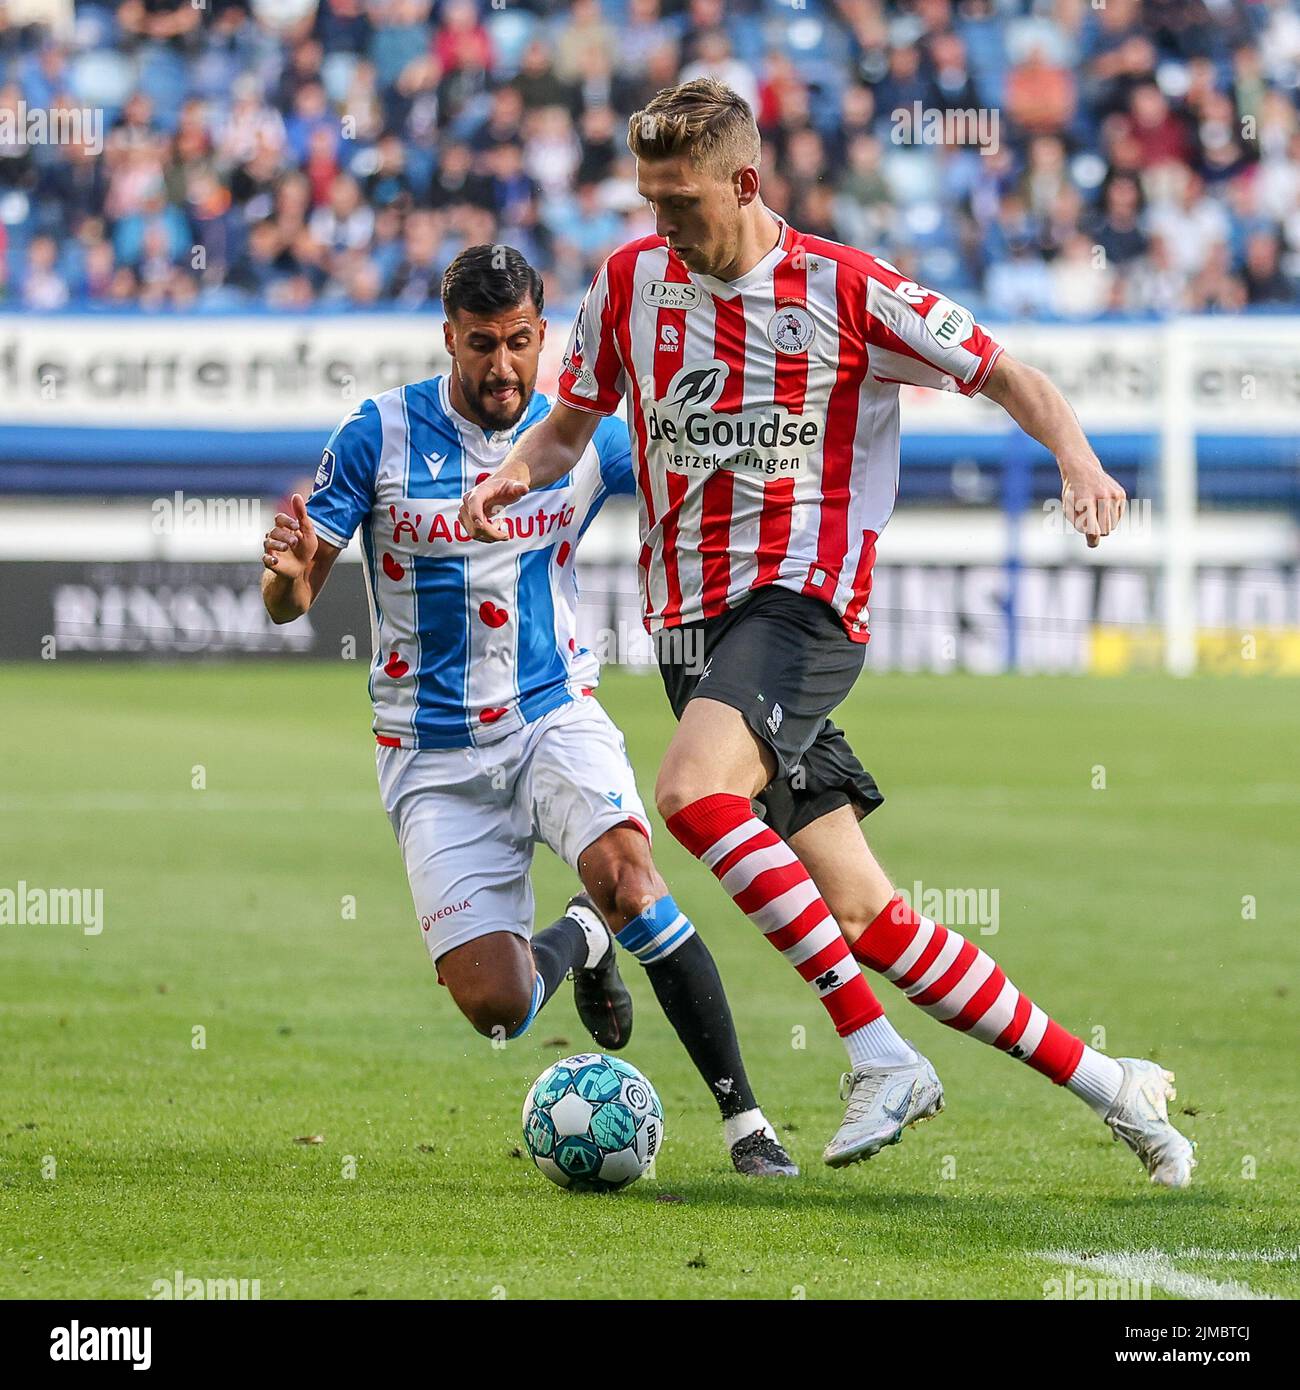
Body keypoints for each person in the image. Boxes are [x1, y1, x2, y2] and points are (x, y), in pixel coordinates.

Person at [461, 80, 1195, 1187]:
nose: (663, 224)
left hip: (803, 605)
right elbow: (573, 421)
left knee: (691, 795)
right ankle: (1113, 1084)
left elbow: (1007, 372)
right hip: (690, 633)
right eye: (649, 199)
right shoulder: (628, 283)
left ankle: (874, 1050)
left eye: (682, 202)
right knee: (867, 911)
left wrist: (1078, 460)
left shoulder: (847, 291)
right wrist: (512, 474)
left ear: (746, 183)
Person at [260, 242, 796, 1178]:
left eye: (518, 343)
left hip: (551, 712)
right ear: (448, 340)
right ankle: (582, 939)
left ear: (543, 335)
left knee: (631, 876)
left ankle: (746, 1124)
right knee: (499, 1009)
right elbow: (295, 598)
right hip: (428, 752)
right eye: (480, 345)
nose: (502, 367)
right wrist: (284, 575)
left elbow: (702, 467)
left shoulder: (578, 433)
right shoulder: (376, 435)